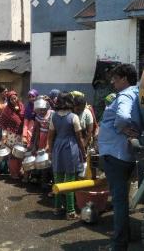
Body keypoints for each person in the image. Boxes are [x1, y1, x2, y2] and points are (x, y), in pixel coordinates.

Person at [98, 64, 142, 251]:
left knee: (119, 200)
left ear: (125, 78)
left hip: (116, 154)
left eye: (115, 78)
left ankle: (118, 245)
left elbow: (123, 116)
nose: (112, 81)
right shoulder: (136, 92)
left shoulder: (125, 95)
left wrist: (121, 128)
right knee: (122, 199)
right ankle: (123, 236)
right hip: (123, 154)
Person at [47, 92, 85, 220]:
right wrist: (84, 152)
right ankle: (71, 212)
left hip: (58, 148)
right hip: (70, 148)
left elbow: (50, 137)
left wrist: (50, 152)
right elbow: (79, 138)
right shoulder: (74, 117)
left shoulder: (53, 117)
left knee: (58, 180)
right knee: (70, 181)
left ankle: (57, 209)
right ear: (70, 102)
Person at [0, 90, 25, 180]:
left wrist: (18, 111)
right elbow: (2, 123)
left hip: (20, 134)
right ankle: (13, 173)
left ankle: (19, 171)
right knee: (13, 154)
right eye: (11, 99)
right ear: (9, 100)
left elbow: (24, 118)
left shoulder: (21, 106)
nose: (14, 100)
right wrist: (4, 136)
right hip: (11, 135)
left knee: (20, 153)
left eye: (15, 98)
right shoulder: (7, 110)